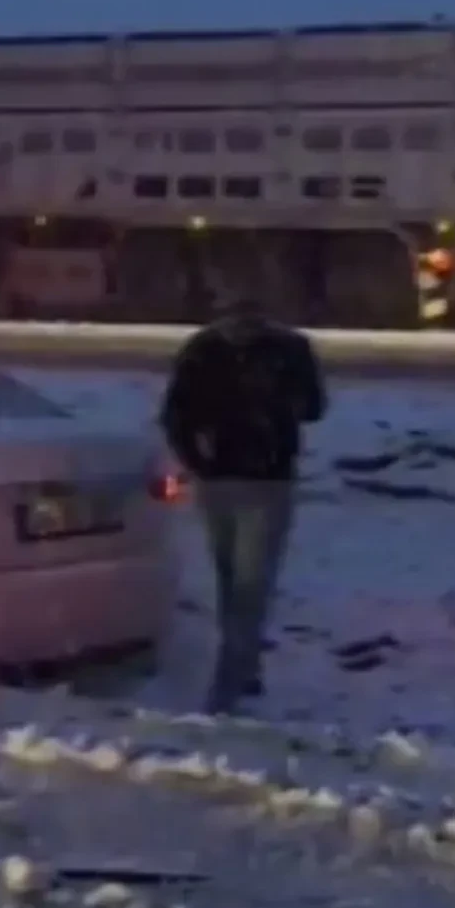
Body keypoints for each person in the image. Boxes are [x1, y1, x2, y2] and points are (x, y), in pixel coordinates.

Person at [160, 297, 327, 714]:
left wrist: (197, 460)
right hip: (264, 477)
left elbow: (174, 415)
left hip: (225, 477)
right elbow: (313, 408)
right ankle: (238, 671)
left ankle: (237, 671)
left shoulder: (204, 349)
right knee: (249, 581)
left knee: (234, 578)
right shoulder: (288, 349)